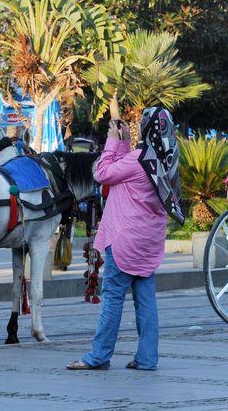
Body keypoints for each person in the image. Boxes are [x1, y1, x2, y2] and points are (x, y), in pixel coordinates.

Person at [67, 100, 181, 372]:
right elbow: (127, 169)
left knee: (113, 298)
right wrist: (123, 142)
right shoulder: (166, 161)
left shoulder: (137, 160)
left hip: (125, 242)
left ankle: (98, 356)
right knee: (146, 301)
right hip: (149, 244)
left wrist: (111, 140)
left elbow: (102, 173)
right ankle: (147, 359)